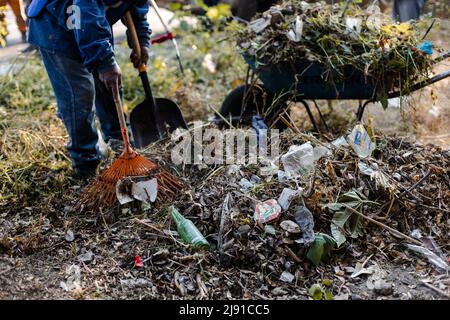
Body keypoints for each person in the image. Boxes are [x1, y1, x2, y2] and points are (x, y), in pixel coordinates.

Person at [27, 0, 151, 178]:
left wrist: (142, 41)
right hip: (57, 25)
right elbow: (85, 13)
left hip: (93, 22)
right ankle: (86, 164)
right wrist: (105, 62)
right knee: (79, 95)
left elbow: (138, 8)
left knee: (110, 84)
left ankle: (119, 143)